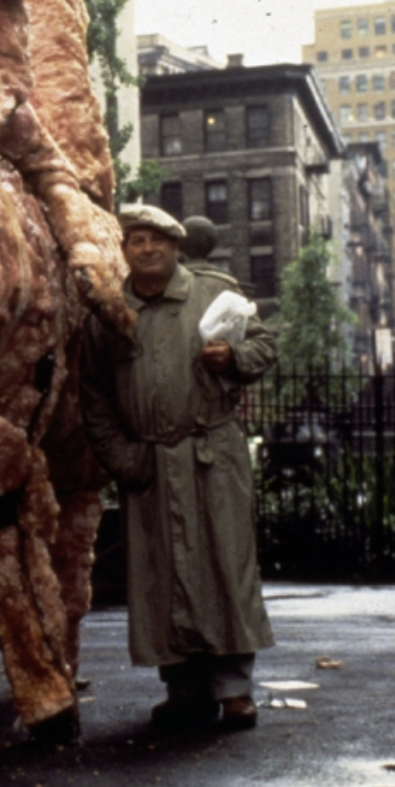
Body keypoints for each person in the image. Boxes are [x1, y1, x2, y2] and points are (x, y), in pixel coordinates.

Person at [79, 203, 277, 731]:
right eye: (137, 240)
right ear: (124, 252)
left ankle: (235, 690)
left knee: (224, 569)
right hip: (151, 465)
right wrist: (124, 458)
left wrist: (233, 359)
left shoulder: (215, 293)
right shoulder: (108, 315)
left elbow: (265, 344)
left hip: (212, 456)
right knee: (161, 577)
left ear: (176, 246)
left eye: (159, 240)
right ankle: (184, 690)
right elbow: (94, 398)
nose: (148, 249)